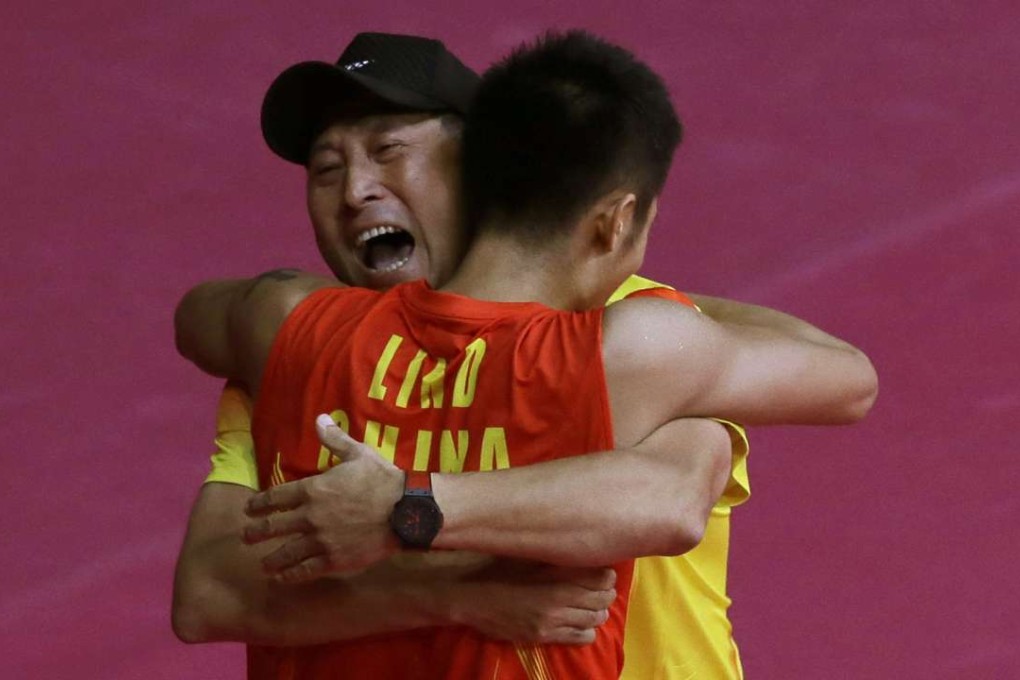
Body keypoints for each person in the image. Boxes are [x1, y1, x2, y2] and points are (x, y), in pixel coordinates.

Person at [172, 32, 877, 679]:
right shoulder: (298, 344)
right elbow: (210, 593)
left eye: (389, 152)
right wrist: (450, 591)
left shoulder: (633, 332)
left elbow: (667, 501)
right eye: (325, 169)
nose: (355, 192)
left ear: (483, 163)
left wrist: (404, 509)